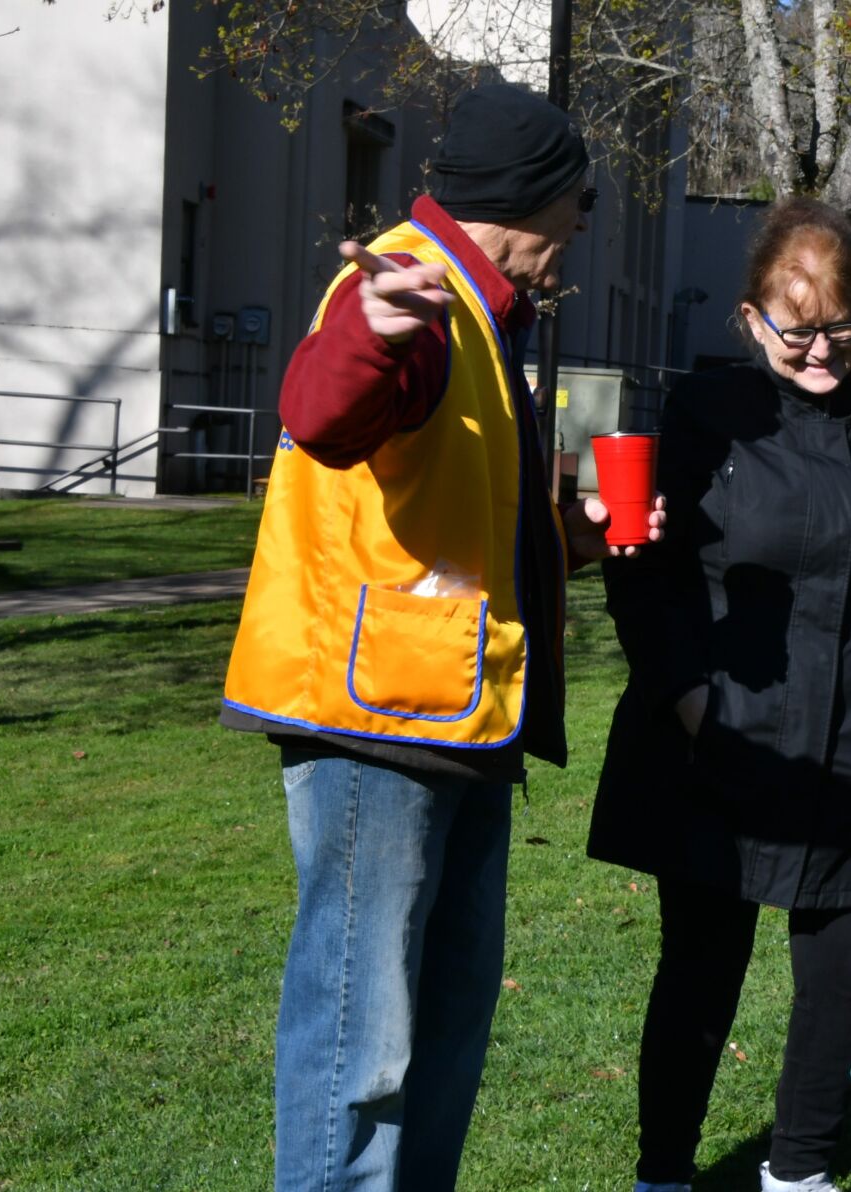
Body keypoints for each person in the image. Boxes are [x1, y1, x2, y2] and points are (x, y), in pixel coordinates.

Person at [221, 83, 663, 1192]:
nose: (577, 238)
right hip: (376, 728)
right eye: (580, 209)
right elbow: (323, 413)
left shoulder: (479, 311)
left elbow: (457, 519)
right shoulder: (408, 294)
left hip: (455, 719)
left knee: (447, 1029)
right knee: (359, 1038)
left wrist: (580, 535)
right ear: (532, 204)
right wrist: (370, 330)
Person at [589, 196, 851, 1192]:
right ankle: (663, 1171)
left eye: (843, 327)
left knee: (842, 985)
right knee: (700, 974)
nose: (825, 351)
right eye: (798, 330)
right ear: (752, 319)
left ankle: (799, 1174)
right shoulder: (706, 419)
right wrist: (692, 704)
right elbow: (643, 571)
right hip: (717, 749)